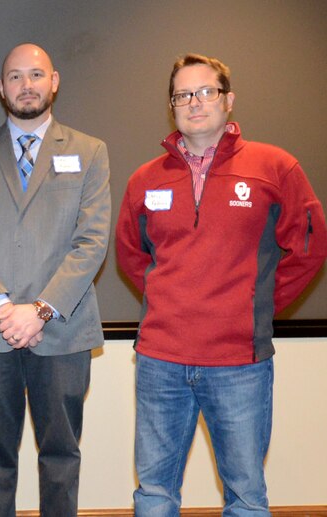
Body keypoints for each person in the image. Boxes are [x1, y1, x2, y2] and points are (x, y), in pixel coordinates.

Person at [116, 53, 327, 516]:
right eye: (182, 95)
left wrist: (257, 304)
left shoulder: (275, 168)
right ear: (172, 106)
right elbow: (132, 256)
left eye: (206, 91)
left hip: (239, 362)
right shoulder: (144, 180)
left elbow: (309, 248)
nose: (194, 102)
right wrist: (170, 300)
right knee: (154, 492)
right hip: (160, 360)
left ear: (228, 100)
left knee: (246, 495)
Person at [0, 43, 111, 516]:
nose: (26, 85)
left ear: (54, 81)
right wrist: (5, 309)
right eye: (15, 76)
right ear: (1, 88)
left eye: (36, 75)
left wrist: (39, 311)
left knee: (61, 455)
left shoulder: (89, 152)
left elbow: (91, 242)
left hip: (62, 330)